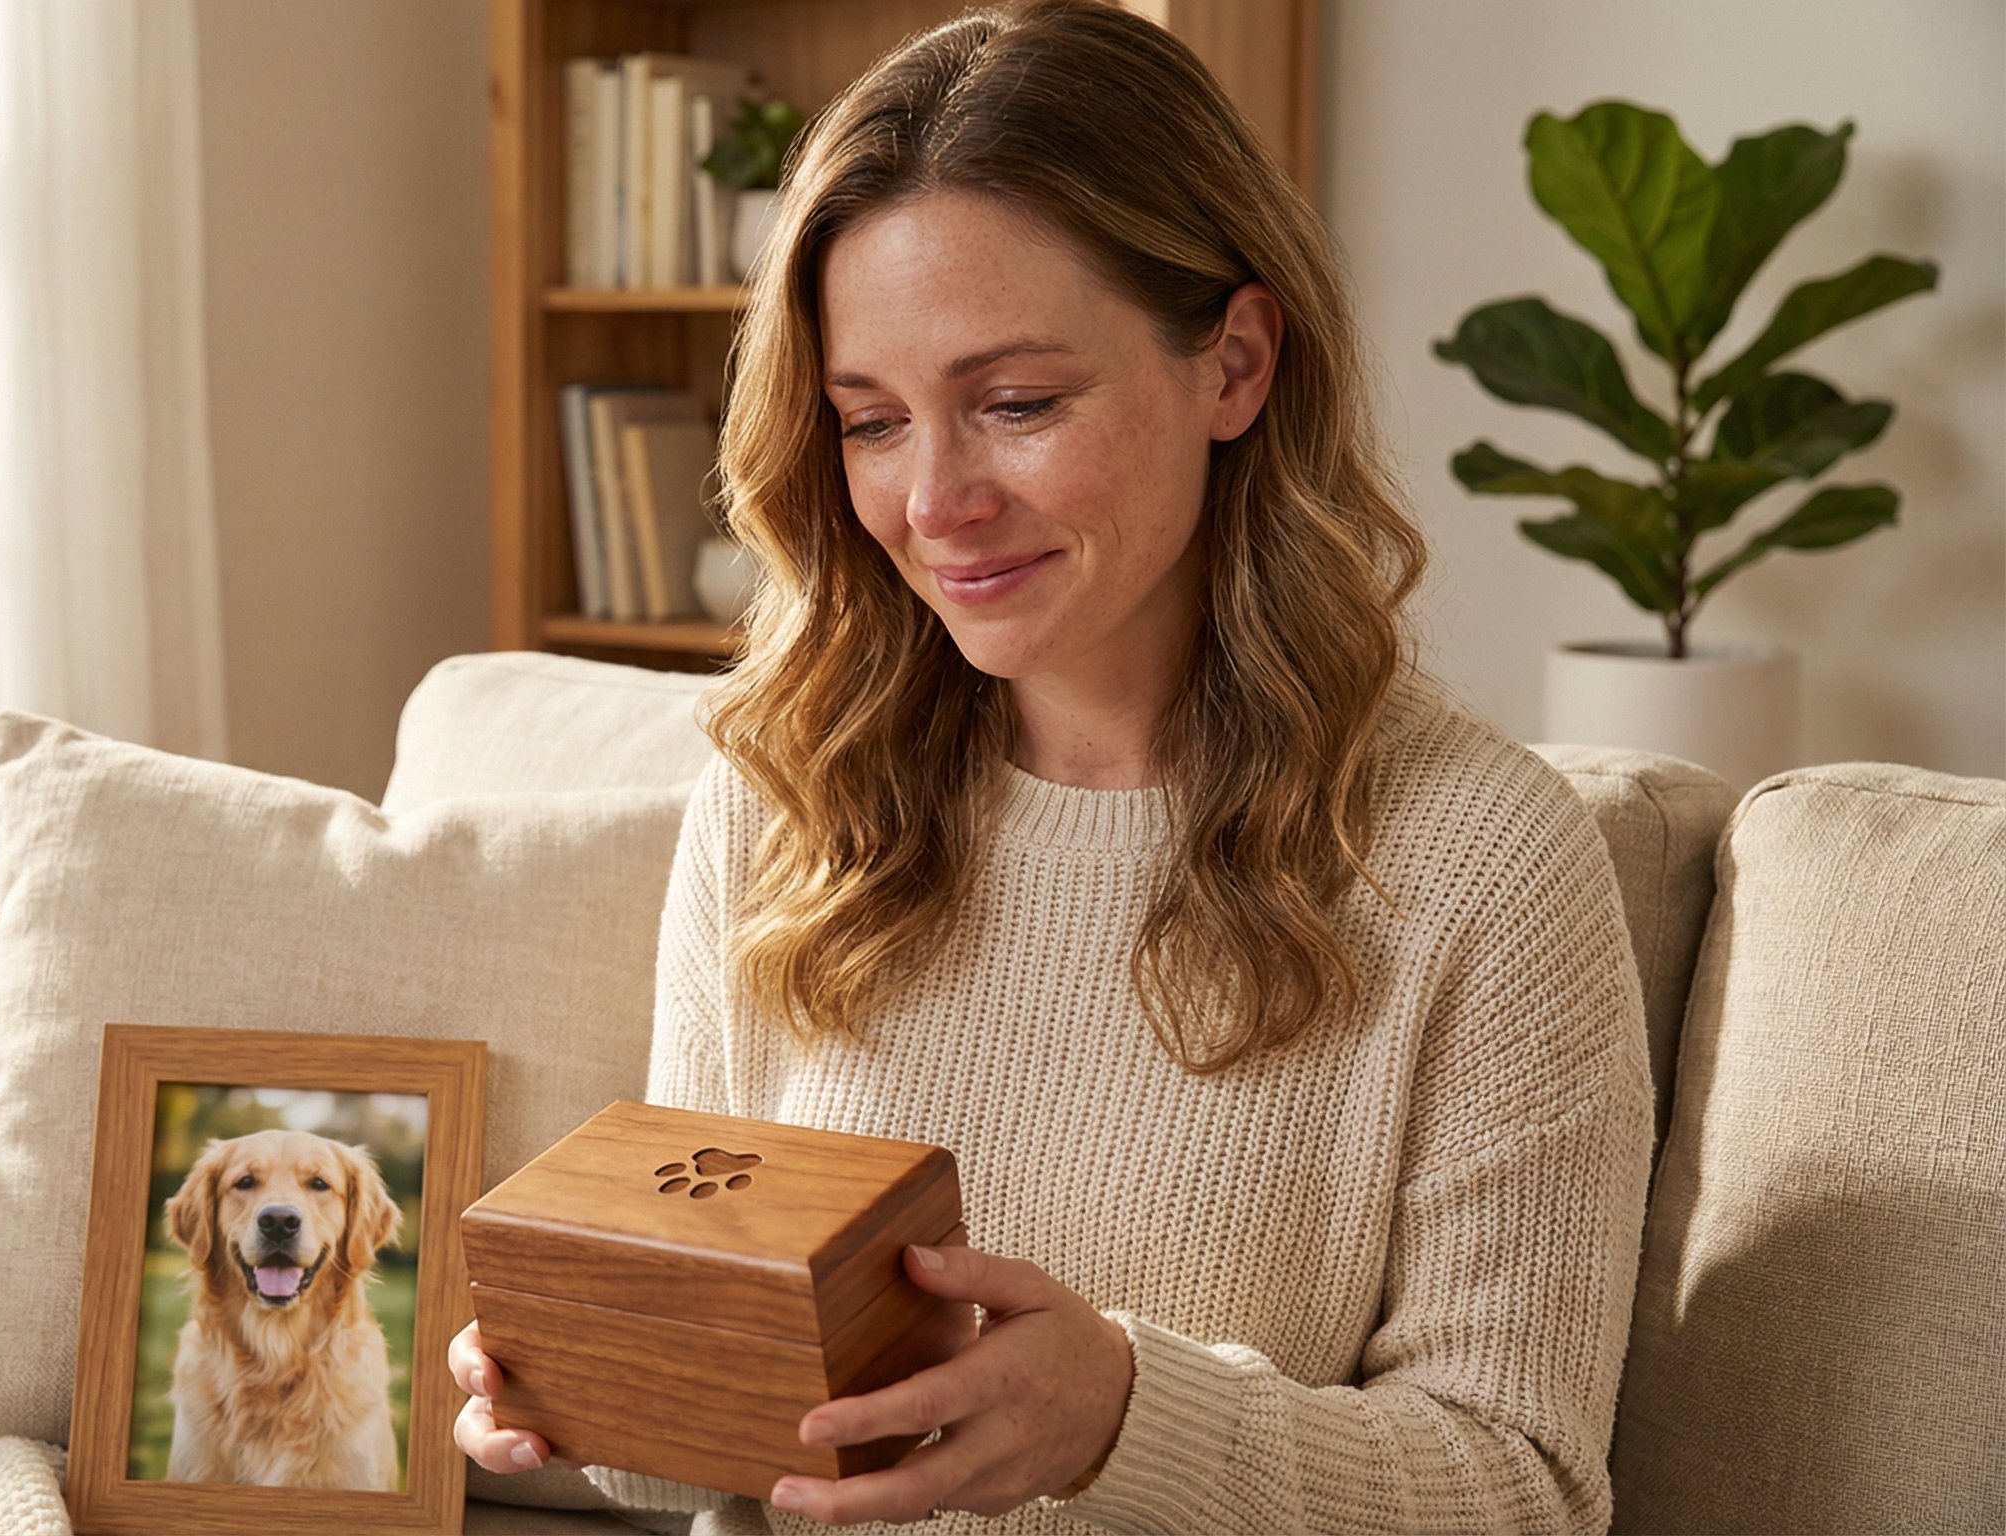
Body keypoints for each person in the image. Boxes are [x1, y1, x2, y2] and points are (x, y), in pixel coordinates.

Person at [453, 1, 1653, 1531]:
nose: (935, 499)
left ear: (1234, 364)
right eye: (872, 421)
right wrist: (585, 1387)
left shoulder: (1477, 860)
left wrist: (1124, 1419)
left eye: (1016, 404)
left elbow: (1522, 1490)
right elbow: (749, 1449)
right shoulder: (783, 791)